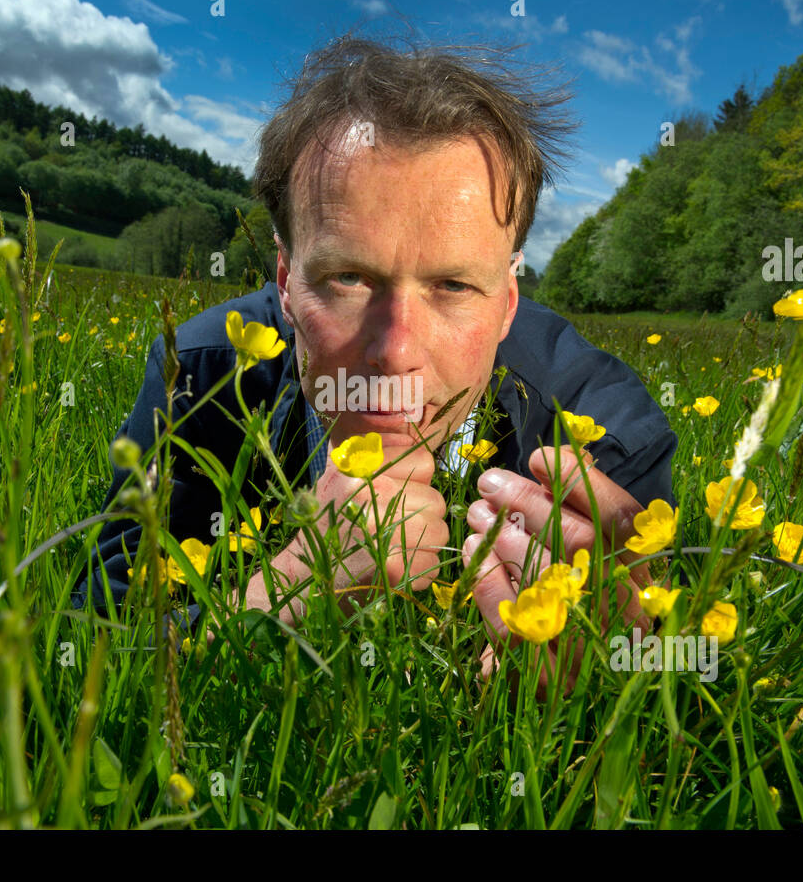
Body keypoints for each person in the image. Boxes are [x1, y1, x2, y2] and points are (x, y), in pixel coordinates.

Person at [72, 36, 678, 690]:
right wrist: (279, 596)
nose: (394, 350)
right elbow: (93, 646)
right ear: (284, 281)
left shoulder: (601, 432)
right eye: (349, 278)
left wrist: (596, 680)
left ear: (507, 305)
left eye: (452, 285)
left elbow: (680, 675)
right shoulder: (197, 376)